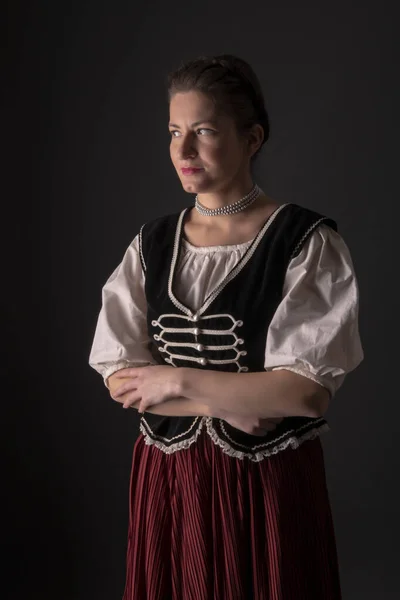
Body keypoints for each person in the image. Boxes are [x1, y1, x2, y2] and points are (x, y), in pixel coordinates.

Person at [89, 54, 363, 600]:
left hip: (268, 483)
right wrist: (221, 402)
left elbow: (305, 393)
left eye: (204, 131)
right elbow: (119, 378)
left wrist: (177, 381)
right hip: (169, 482)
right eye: (174, 132)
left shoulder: (305, 242)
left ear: (252, 138)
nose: (183, 151)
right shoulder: (151, 244)